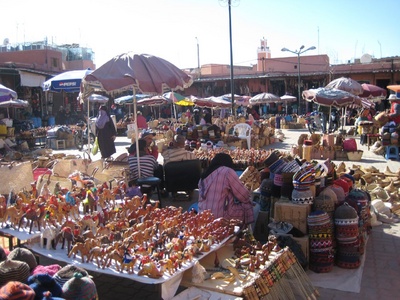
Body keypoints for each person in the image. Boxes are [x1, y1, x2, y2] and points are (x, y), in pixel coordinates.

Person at [198, 153, 257, 227]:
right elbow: (243, 196)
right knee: (250, 206)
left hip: (202, 216)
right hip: (221, 216)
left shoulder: (204, 176)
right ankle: (247, 234)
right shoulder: (227, 171)